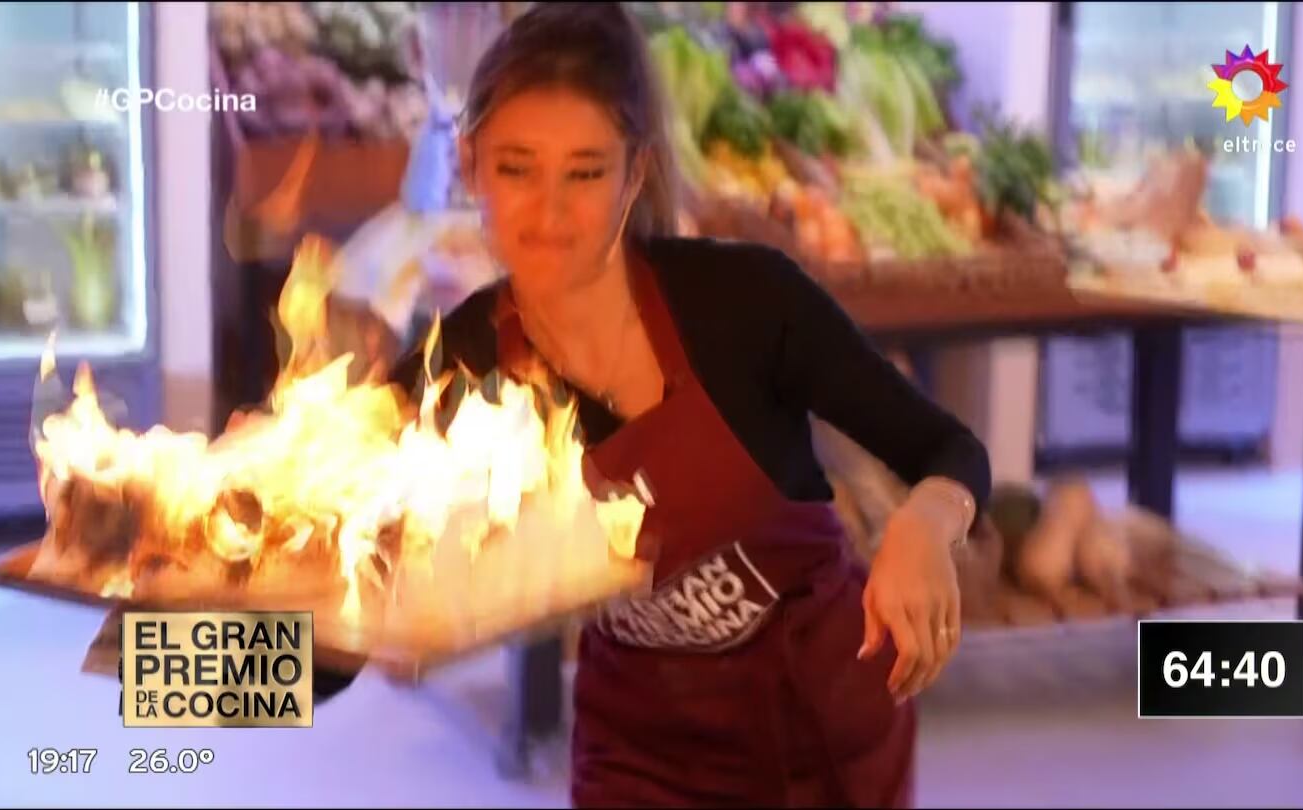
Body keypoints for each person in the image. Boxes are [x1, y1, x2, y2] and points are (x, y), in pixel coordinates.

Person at [381, 4, 989, 806]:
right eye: (516, 167)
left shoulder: (746, 304)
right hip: (637, 747)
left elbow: (947, 450)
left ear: (636, 173)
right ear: (469, 166)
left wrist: (924, 526)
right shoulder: (459, 359)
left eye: (587, 172)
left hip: (818, 736)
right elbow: (341, 600)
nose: (550, 213)